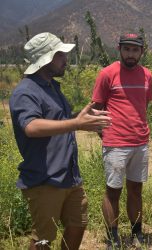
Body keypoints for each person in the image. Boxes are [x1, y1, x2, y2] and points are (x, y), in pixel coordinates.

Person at [9, 32, 111, 250]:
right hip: (45, 179)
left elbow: (60, 120)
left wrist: (84, 119)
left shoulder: (53, 87)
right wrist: (76, 124)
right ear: (45, 59)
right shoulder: (25, 92)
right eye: (60, 55)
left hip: (69, 175)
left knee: (79, 223)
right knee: (44, 238)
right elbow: (32, 127)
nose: (66, 59)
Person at [91, 33, 152, 249]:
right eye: (126, 49)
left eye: (135, 50)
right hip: (116, 142)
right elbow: (96, 108)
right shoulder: (107, 73)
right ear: (119, 49)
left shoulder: (147, 75)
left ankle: (137, 233)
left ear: (141, 52)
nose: (130, 54)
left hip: (140, 142)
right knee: (113, 191)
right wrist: (104, 133)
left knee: (136, 189)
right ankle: (112, 236)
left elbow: (143, 104)